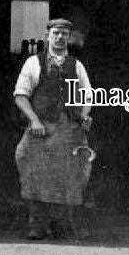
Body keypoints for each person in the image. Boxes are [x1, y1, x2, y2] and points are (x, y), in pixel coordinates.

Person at [14, 18, 94, 240]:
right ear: (47, 36)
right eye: (56, 33)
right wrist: (34, 121)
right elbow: (21, 95)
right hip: (41, 128)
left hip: (67, 128)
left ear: (69, 38)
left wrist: (84, 116)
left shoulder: (75, 65)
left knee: (69, 173)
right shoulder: (34, 62)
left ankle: (60, 223)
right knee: (30, 167)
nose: (59, 37)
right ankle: (37, 224)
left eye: (64, 34)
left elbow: (88, 95)